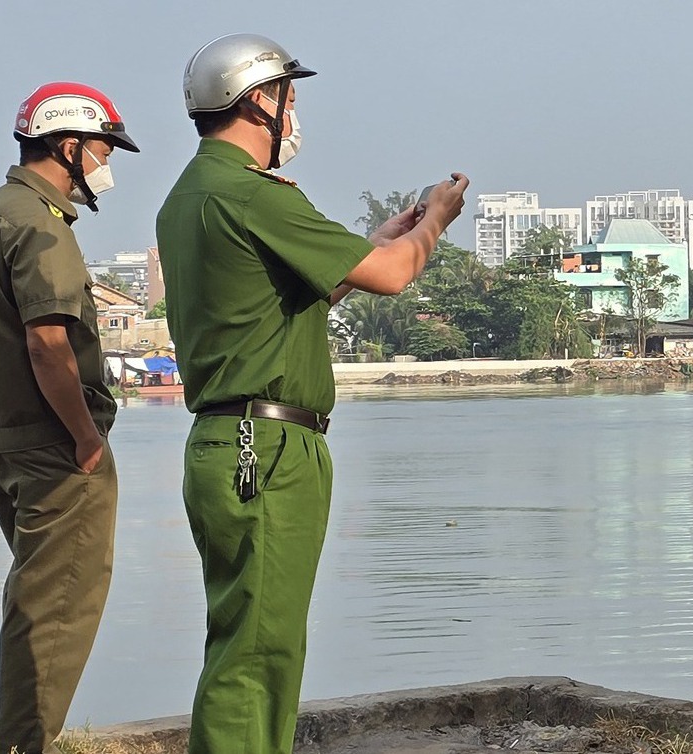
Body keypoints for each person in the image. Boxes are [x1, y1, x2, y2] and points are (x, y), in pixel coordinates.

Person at [156, 33, 468, 754]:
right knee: (258, 653)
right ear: (259, 101)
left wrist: (380, 238)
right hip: (263, 446)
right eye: (288, 96)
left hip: (231, 440)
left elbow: (268, 304)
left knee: (250, 642)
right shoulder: (247, 192)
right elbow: (390, 277)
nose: (293, 113)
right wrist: (433, 225)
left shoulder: (191, 195)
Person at [0, 81, 139, 754]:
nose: (105, 164)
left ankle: (16, 740)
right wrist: (85, 437)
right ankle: (23, 745)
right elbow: (47, 339)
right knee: (59, 607)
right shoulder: (38, 223)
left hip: (3, 441)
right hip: (55, 447)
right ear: (69, 146)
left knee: (35, 599)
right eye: (102, 149)